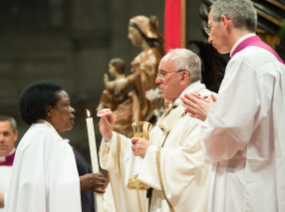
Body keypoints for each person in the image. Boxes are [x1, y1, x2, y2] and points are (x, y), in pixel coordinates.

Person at [180, 0, 285, 211]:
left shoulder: (244, 61)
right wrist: (222, 110)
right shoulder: (273, 61)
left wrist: (210, 114)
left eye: (210, 28)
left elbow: (229, 134)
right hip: (268, 176)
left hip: (246, 185)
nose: (208, 38)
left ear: (225, 22)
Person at [99, 49, 212, 212]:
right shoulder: (176, 109)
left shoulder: (204, 107)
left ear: (183, 77)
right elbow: (147, 149)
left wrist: (150, 152)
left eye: (163, 74)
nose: (157, 80)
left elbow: (194, 164)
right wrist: (111, 138)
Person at [5, 81, 106, 212]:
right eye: (66, 104)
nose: (72, 109)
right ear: (49, 110)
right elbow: (32, 188)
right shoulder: (39, 137)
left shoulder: (49, 137)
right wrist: (78, 183)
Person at [112, 15, 165, 138]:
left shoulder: (153, 53)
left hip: (147, 104)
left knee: (118, 123)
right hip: (137, 99)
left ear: (142, 33)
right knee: (113, 120)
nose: (129, 36)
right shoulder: (144, 54)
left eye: (131, 32)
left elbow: (148, 72)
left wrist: (127, 81)